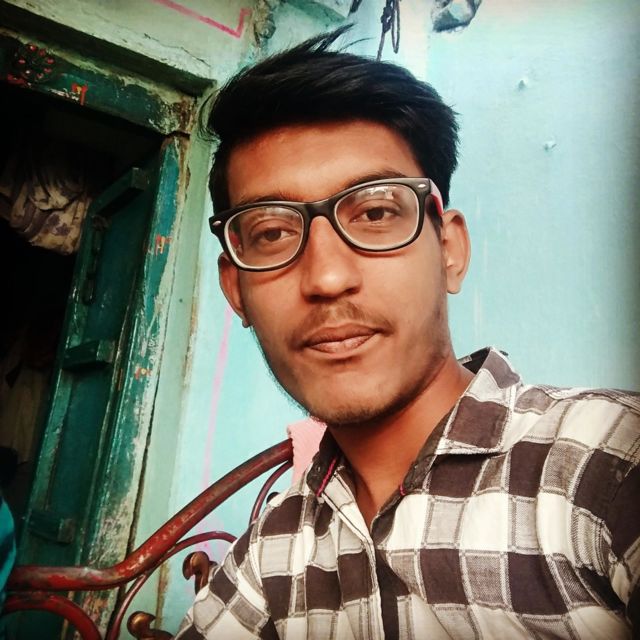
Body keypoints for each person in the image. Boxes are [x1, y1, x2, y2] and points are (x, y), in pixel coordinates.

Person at [177, 27, 640, 639]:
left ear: (449, 250)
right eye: (272, 233)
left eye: (375, 213)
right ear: (235, 289)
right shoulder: (269, 556)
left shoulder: (604, 464)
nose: (327, 277)